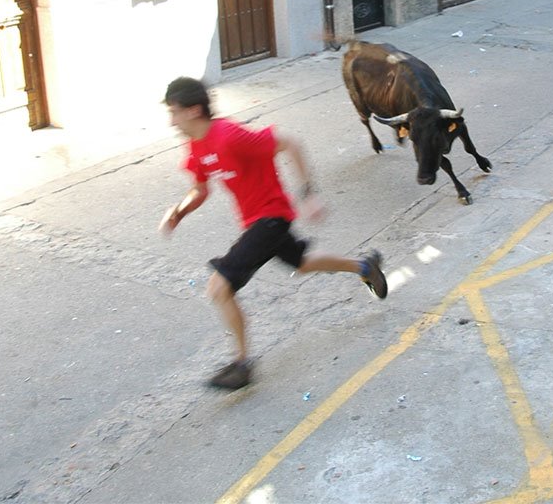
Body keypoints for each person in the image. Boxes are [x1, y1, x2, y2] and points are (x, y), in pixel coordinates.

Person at [159, 76, 388, 391]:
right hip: (257, 221)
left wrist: (308, 193)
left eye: (174, 112)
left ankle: (242, 365)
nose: (171, 121)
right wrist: (180, 211)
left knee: (219, 288)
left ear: (194, 110)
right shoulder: (197, 146)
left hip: (270, 217)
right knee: (303, 263)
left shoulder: (229, 135)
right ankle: (365, 267)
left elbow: (290, 142)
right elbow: (199, 189)